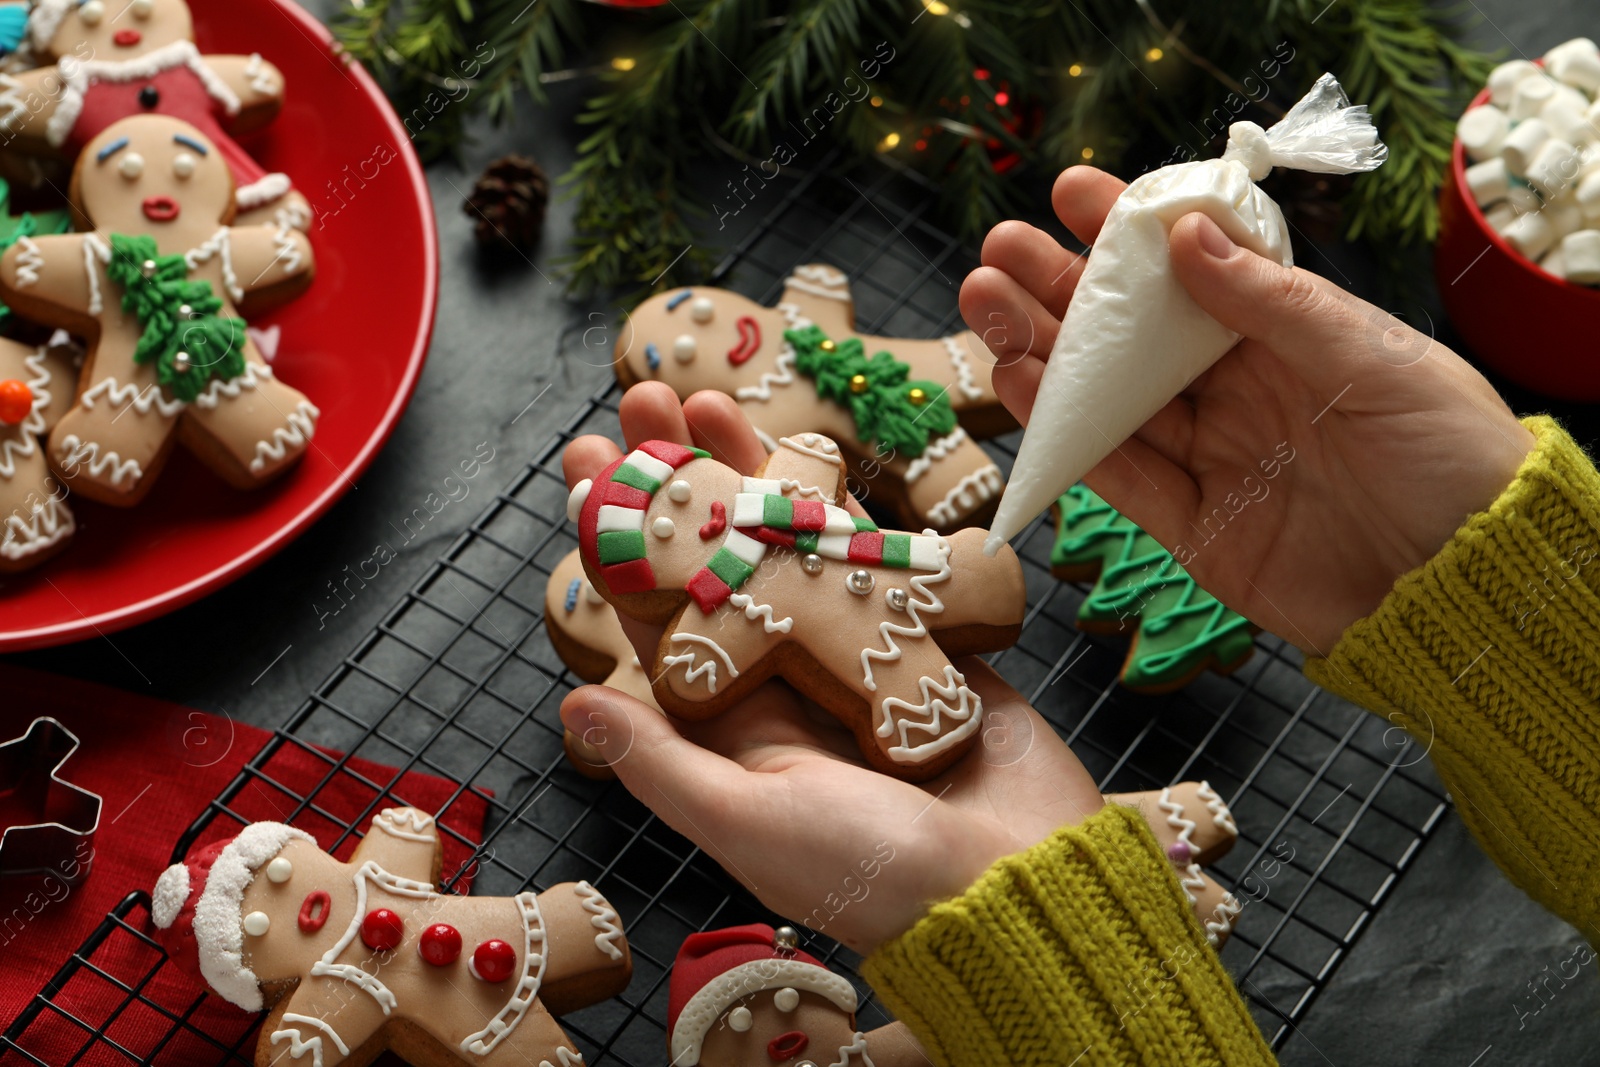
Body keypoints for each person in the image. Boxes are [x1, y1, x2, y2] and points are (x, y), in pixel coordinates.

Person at [561, 165, 1597, 1065]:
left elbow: (813, 457)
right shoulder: (725, 592)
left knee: (962, 581)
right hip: (890, 663)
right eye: (665, 524)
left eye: (680, 494)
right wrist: (1504, 591)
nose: (693, 510)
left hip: (924, 584)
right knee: (910, 666)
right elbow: (710, 643)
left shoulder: (790, 472)